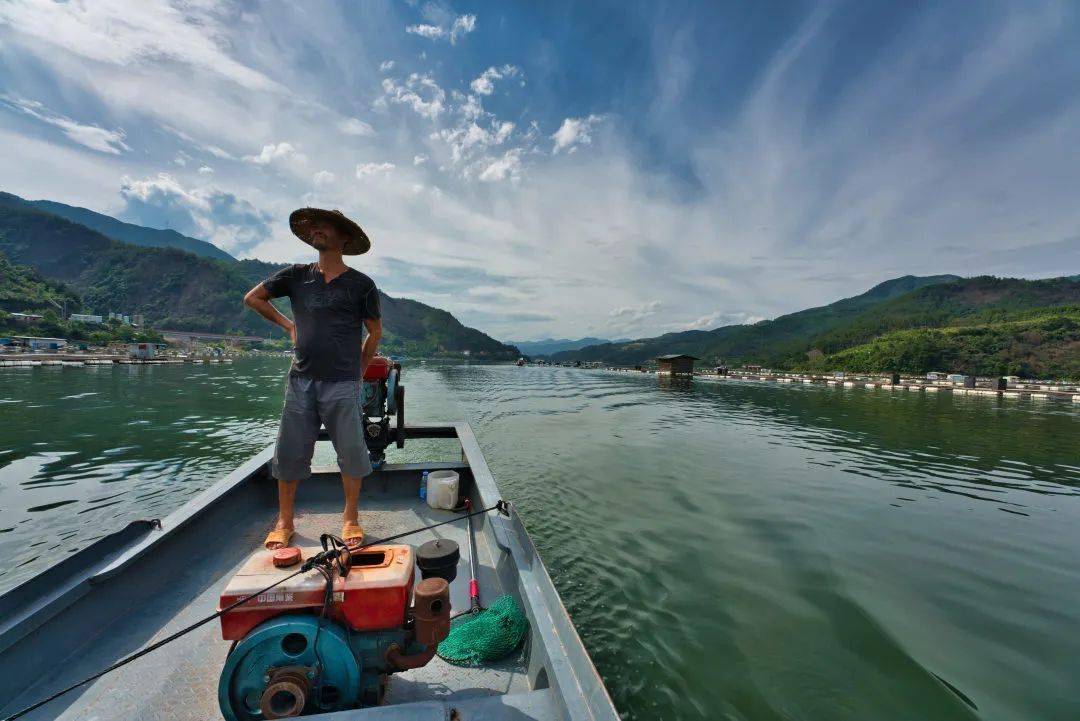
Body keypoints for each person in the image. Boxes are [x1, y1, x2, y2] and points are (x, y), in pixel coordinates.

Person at [244, 207, 382, 550]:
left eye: (326, 226)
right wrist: (289, 325)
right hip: (300, 380)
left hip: (343, 383)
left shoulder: (362, 285)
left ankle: (350, 518)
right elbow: (253, 298)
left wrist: (360, 370)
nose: (318, 230)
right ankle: (284, 521)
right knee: (289, 451)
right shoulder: (295, 276)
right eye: (315, 227)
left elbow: (374, 332)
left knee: (351, 451)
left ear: (344, 238)